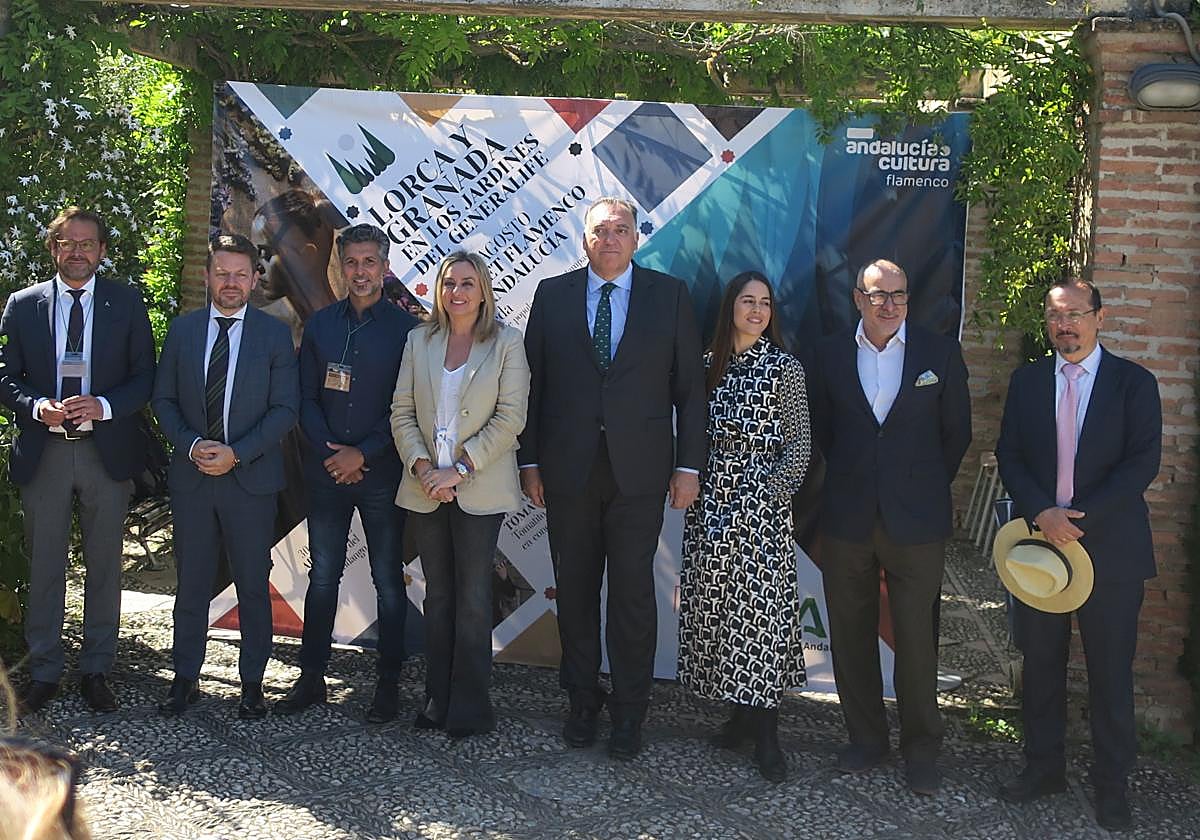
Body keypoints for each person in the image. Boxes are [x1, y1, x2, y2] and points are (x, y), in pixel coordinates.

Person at [518, 196, 706, 760]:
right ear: (585, 239)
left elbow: (690, 390)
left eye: (621, 229)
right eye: (600, 230)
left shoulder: (669, 296)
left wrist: (688, 466)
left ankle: (630, 710)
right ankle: (582, 700)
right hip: (567, 471)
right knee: (575, 592)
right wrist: (529, 462)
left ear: (636, 238)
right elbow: (532, 387)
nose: (611, 238)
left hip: (640, 474)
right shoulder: (552, 296)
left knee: (631, 596)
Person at [994, 277, 1161, 831]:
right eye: (1055, 316)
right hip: (1040, 546)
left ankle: (1112, 786)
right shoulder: (1026, 382)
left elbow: (1142, 464)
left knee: (1109, 673)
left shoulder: (1134, 383)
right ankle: (1043, 769)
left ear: (1099, 317)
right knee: (1041, 665)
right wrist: (1043, 512)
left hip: (1110, 551)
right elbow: (1010, 454)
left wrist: (1078, 519)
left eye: (1074, 314)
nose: (1064, 325)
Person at [809, 258, 971, 794]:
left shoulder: (938, 354)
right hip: (848, 516)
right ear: (858, 298)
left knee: (917, 640)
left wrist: (915, 485)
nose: (890, 305)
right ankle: (866, 739)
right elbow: (824, 430)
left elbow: (956, 434)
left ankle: (921, 749)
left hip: (917, 521)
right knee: (850, 634)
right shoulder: (829, 354)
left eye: (899, 295)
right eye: (879, 295)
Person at [0, 207, 156, 715]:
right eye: (67, 243)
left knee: (104, 564)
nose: (77, 252)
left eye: (87, 243)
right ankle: (44, 671)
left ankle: (96, 669)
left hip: (103, 451)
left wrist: (104, 405)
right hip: (44, 450)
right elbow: (5, 374)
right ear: (53, 248)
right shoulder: (24, 304)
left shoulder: (126, 303)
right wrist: (34, 406)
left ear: (102, 251)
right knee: (45, 563)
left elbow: (145, 377)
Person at [152, 234, 299, 720]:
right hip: (193, 476)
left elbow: (285, 409)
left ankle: (253, 683)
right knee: (192, 583)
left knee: (253, 585)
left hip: (250, 481)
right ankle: (185, 678)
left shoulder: (274, 335)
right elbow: (163, 400)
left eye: (240, 274)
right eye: (222, 273)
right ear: (207, 276)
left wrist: (236, 454)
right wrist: (193, 445)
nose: (230, 283)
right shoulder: (183, 331)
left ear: (255, 279)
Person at [274, 224, 417, 722]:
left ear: (385, 267)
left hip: (381, 474)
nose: (360, 272)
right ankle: (311, 677)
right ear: (340, 266)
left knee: (388, 581)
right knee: (322, 578)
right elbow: (305, 397)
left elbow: (407, 406)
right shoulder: (319, 326)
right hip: (326, 473)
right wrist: (333, 455)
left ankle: (388, 683)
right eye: (351, 262)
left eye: (369, 262)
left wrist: (363, 454)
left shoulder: (408, 332)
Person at [678, 271, 811, 783]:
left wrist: (766, 497)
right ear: (730, 307)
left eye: (766, 303)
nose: (757, 311)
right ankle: (738, 717)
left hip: (761, 510)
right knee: (719, 613)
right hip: (710, 503)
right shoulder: (705, 367)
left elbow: (799, 446)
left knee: (760, 618)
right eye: (748, 301)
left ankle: (768, 737)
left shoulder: (784, 369)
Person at [391, 251, 529, 738]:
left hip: (479, 486)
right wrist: (425, 468)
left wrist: (460, 470)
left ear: (483, 291)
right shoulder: (419, 340)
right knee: (439, 594)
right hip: (425, 486)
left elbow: (511, 418)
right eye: (449, 283)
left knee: (472, 597)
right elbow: (401, 411)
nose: (458, 292)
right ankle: (437, 697)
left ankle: (470, 704)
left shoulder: (507, 343)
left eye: (468, 283)